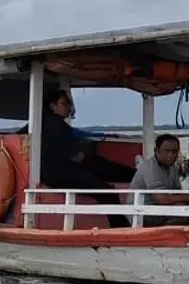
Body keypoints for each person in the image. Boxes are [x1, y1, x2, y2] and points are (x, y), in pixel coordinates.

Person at [37, 89, 136, 227]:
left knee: (100, 167)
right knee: (105, 190)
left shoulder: (45, 122)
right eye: (65, 104)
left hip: (60, 168)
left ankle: (132, 176)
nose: (69, 107)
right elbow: (72, 153)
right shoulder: (53, 125)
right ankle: (121, 228)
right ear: (53, 106)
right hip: (57, 172)